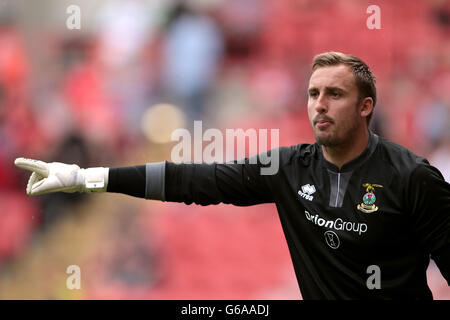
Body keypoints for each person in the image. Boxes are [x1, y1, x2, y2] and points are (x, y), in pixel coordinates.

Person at [15, 52, 450, 299]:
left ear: (365, 106)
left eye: (334, 94)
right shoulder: (288, 168)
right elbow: (192, 181)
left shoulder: (412, 178)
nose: (319, 104)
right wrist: (87, 176)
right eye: (313, 93)